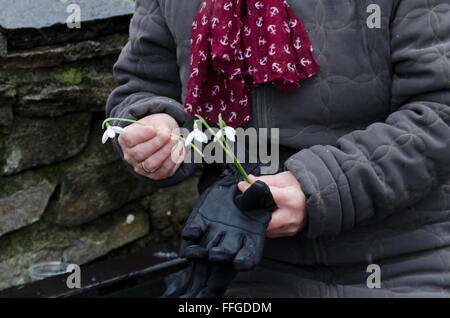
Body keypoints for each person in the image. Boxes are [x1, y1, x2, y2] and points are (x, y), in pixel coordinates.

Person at [106, 0, 450, 297]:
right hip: (247, 261)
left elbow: (440, 113)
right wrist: (152, 126)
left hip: (409, 257)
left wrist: (320, 189)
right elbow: (141, 86)